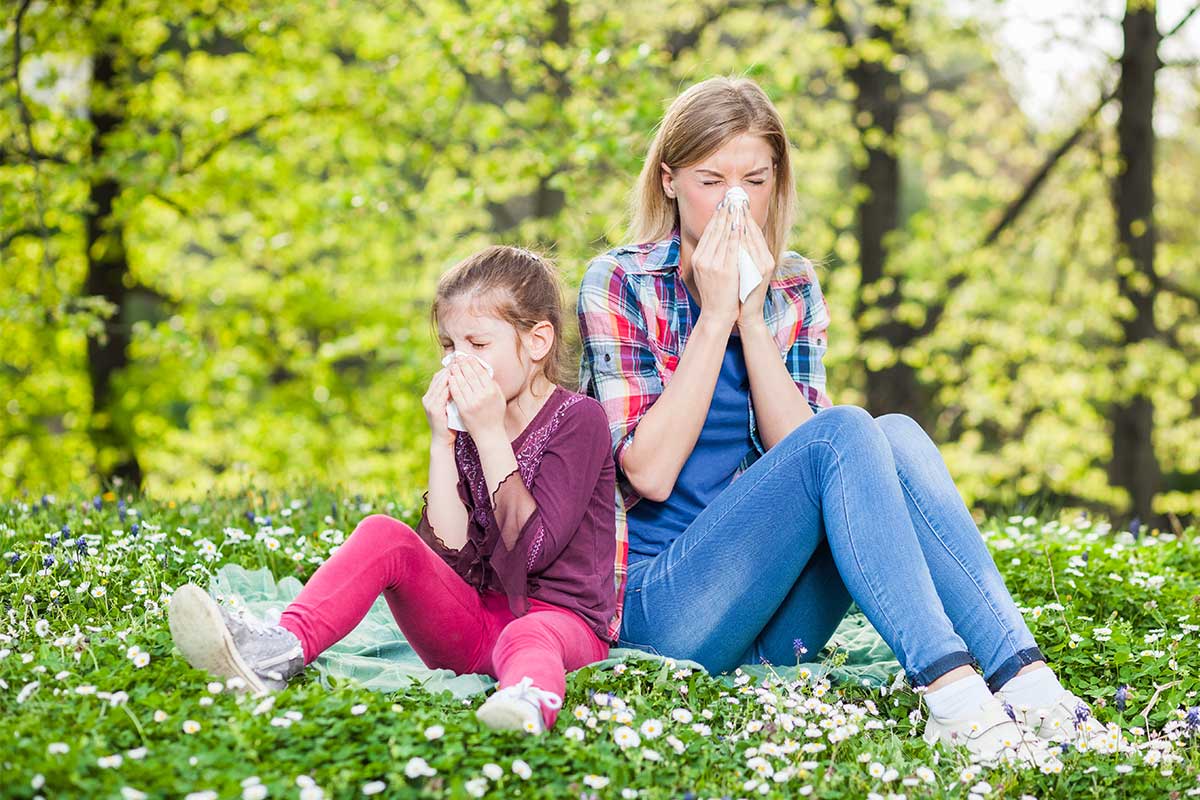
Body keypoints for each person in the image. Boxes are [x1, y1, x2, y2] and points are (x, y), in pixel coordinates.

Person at [576, 76, 1088, 758]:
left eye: (754, 180)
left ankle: (1024, 681)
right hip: (662, 608)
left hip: (772, 615)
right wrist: (715, 316)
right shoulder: (620, 281)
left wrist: (753, 319)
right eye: (710, 180)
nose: (735, 201)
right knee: (851, 428)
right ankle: (950, 690)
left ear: (776, 182)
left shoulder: (792, 285)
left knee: (891, 436)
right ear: (668, 180)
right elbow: (650, 471)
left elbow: (818, 460)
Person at [170, 245, 617, 735]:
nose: (458, 362)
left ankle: (526, 703)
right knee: (384, 533)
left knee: (530, 634)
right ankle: (278, 651)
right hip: (474, 630)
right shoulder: (468, 428)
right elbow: (448, 558)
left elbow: (531, 551)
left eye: (477, 344)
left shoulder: (578, 419)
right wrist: (442, 441)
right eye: (449, 346)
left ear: (537, 342)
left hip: (562, 627)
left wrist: (489, 433)